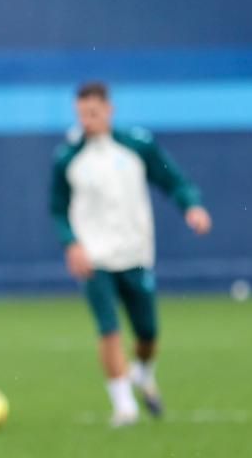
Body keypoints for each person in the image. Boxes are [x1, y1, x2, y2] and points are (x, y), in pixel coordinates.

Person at [51, 82, 211, 426]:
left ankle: (143, 373)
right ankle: (124, 406)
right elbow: (57, 208)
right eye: (82, 114)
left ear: (109, 109)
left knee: (148, 335)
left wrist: (191, 206)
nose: (87, 120)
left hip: (136, 254)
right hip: (94, 258)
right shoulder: (68, 156)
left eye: (93, 113)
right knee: (108, 329)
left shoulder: (137, 145)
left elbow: (173, 180)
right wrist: (71, 243)